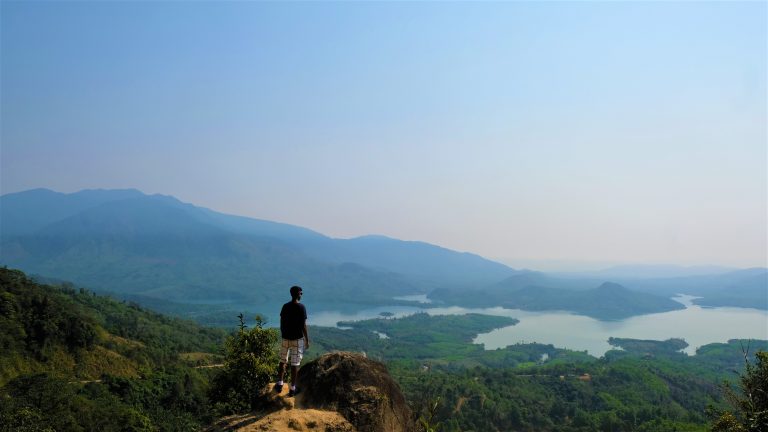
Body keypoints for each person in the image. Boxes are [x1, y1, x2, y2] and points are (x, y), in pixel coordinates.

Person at [274, 285, 309, 397]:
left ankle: (280, 384)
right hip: (297, 339)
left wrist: (283, 333)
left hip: (285, 338)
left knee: (282, 360)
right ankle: (292, 389)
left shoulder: (285, 306)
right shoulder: (301, 307)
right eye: (300, 293)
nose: (301, 294)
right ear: (296, 294)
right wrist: (307, 339)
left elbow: (281, 322)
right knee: (295, 363)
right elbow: (303, 325)